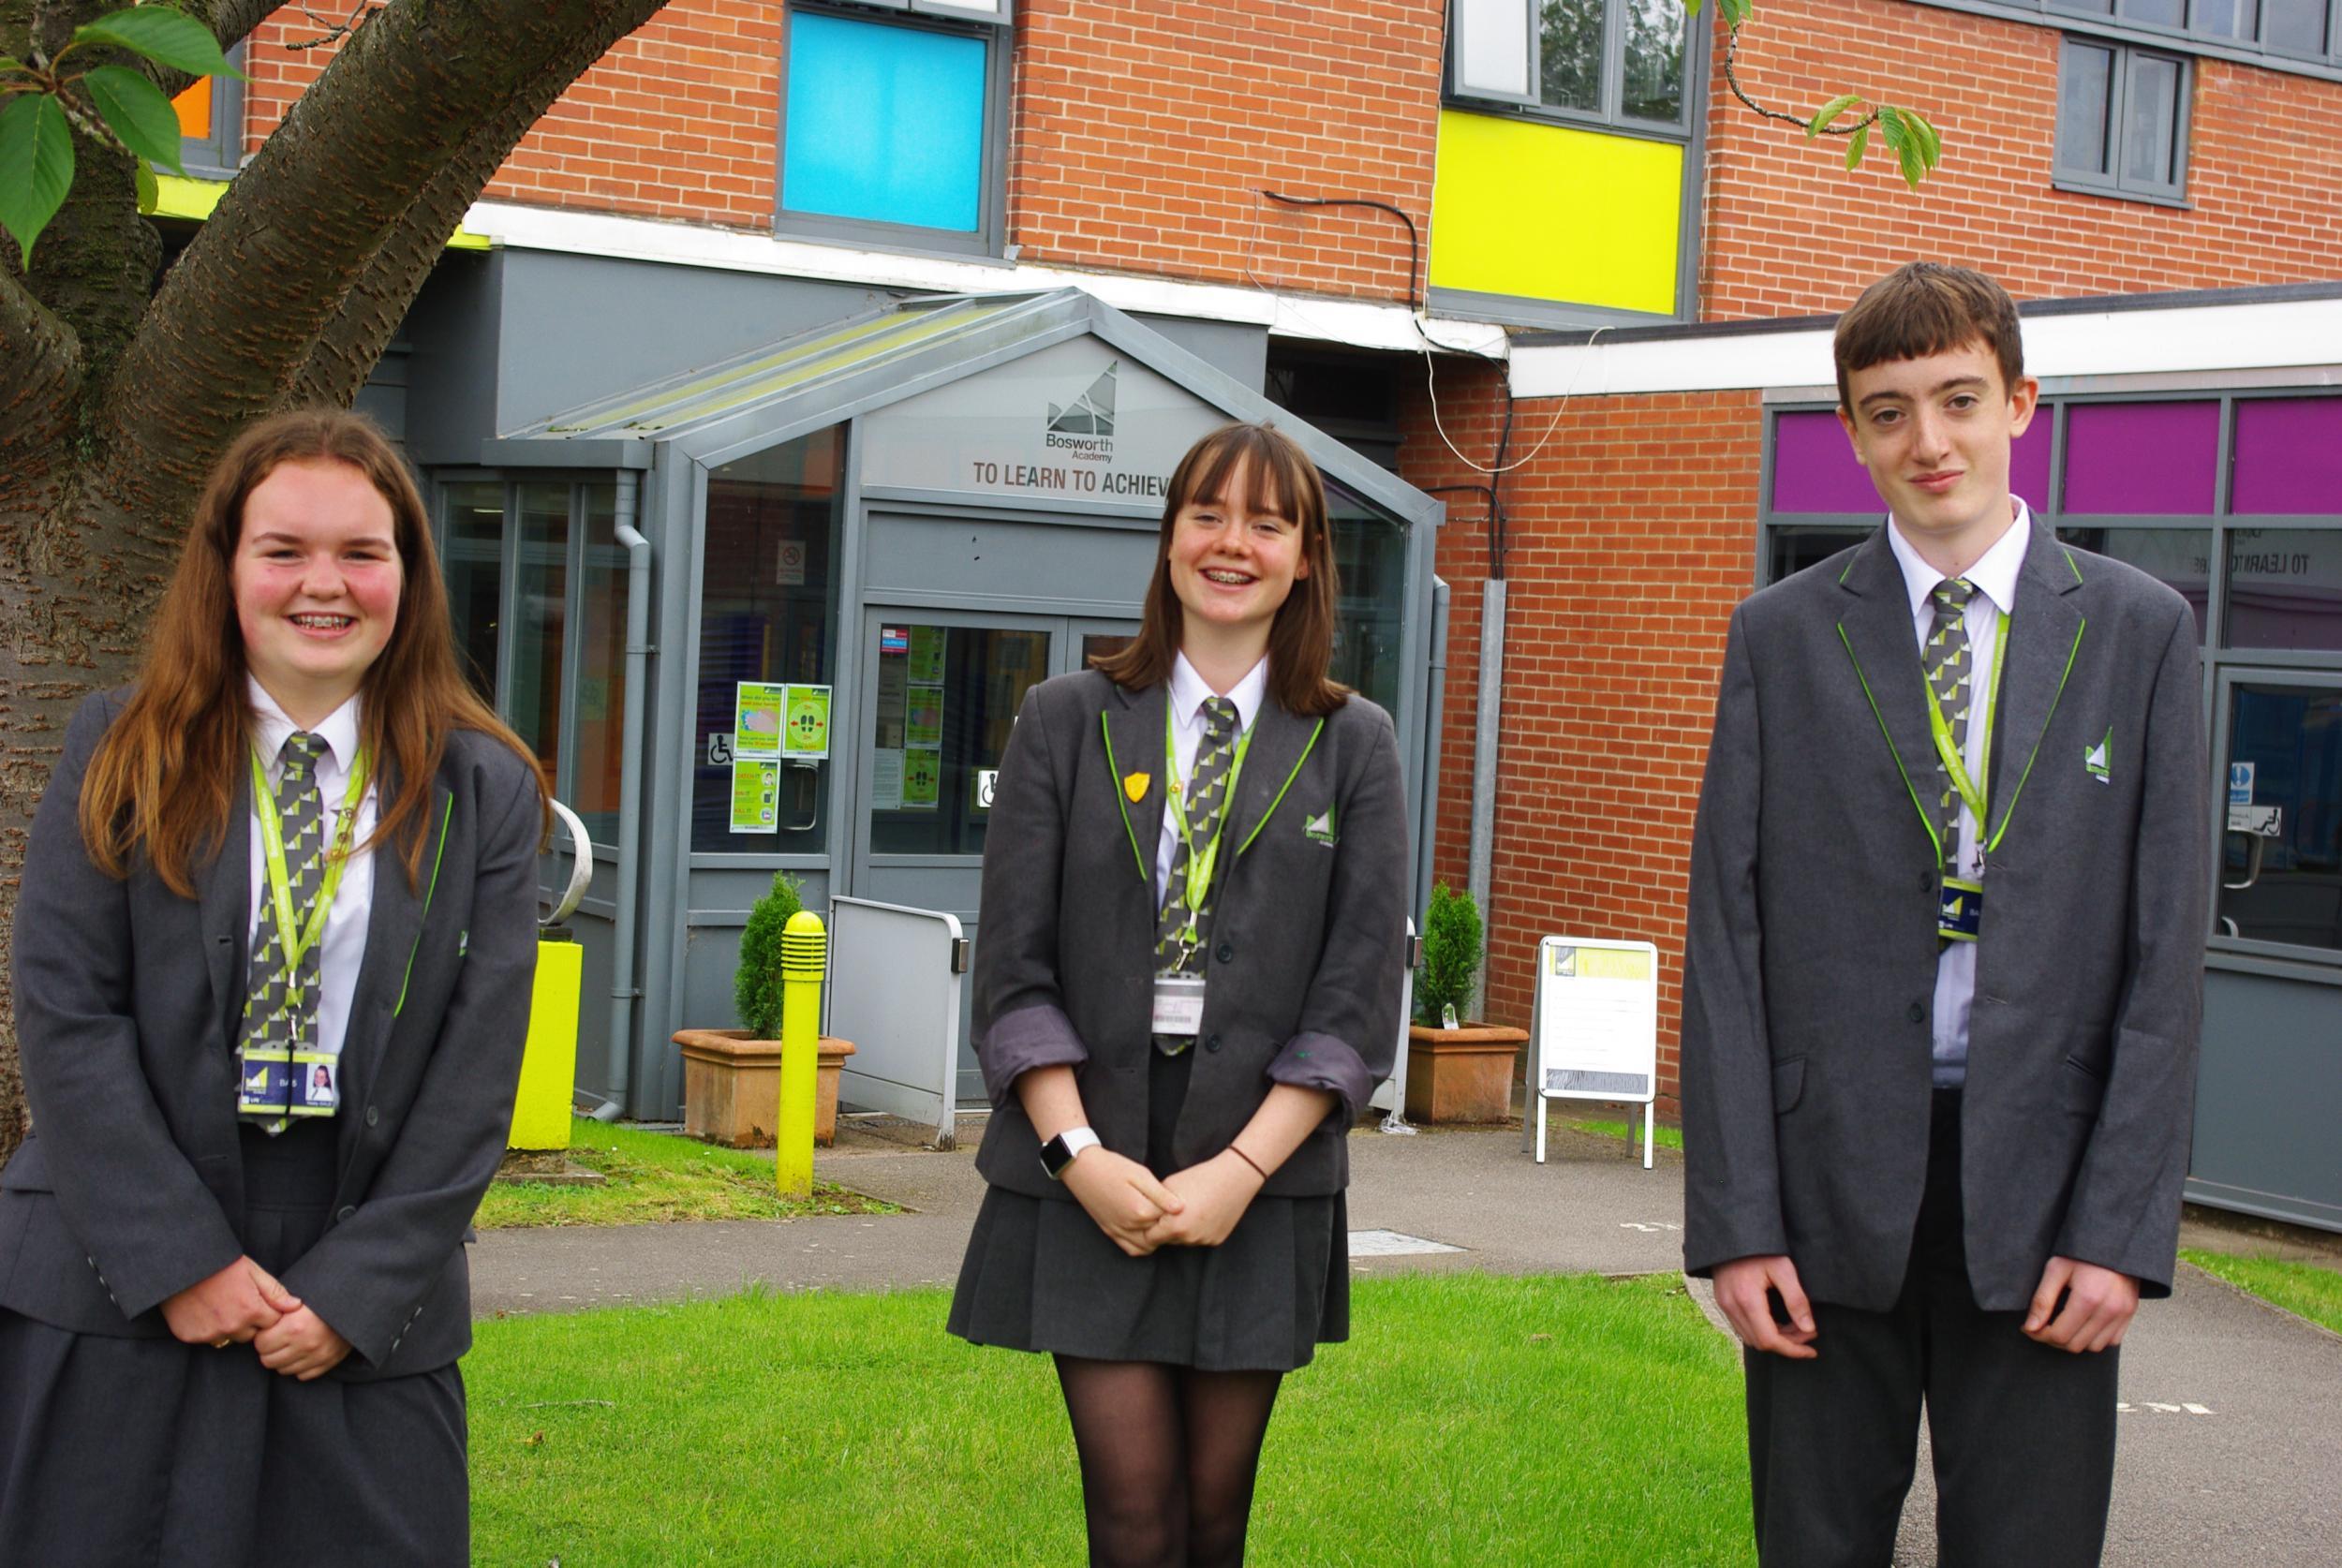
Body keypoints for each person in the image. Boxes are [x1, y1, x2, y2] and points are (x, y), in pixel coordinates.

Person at [1681, 261, 2208, 1566]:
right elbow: (1726, 944)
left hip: (2046, 1198)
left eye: (1960, 399)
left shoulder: (2142, 635)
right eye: (1889, 410)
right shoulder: (1781, 638)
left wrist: (2121, 1232)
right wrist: (1738, 1222)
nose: (1929, 441)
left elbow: (2164, 955)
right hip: (1823, 1193)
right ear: (1852, 432)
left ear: (2022, 402)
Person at [1, 408, 549, 1563]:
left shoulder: (481, 785)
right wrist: (179, 1263)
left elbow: (477, 1065)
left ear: (409, 574)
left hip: (363, 1288)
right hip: (119, 1268)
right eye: (284, 550)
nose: (324, 585)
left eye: (362, 552)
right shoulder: (118, 748)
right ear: (225, 569)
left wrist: (358, 1294)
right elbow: (65, 1014)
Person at [947, 421, 1409, 1567]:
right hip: (1091, 1159)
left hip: (1258, 1170)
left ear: (1305, 556)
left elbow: (1353, 1003)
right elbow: (1013, 972)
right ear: (1167, 543)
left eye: (1266, 522)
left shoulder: (1354, 744)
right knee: (1134, 1518)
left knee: (1214, 1520)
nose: (1231, 543)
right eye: (1207, 515)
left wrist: (1241, 1172)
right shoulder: (1066, 719)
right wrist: (1078, 1158)